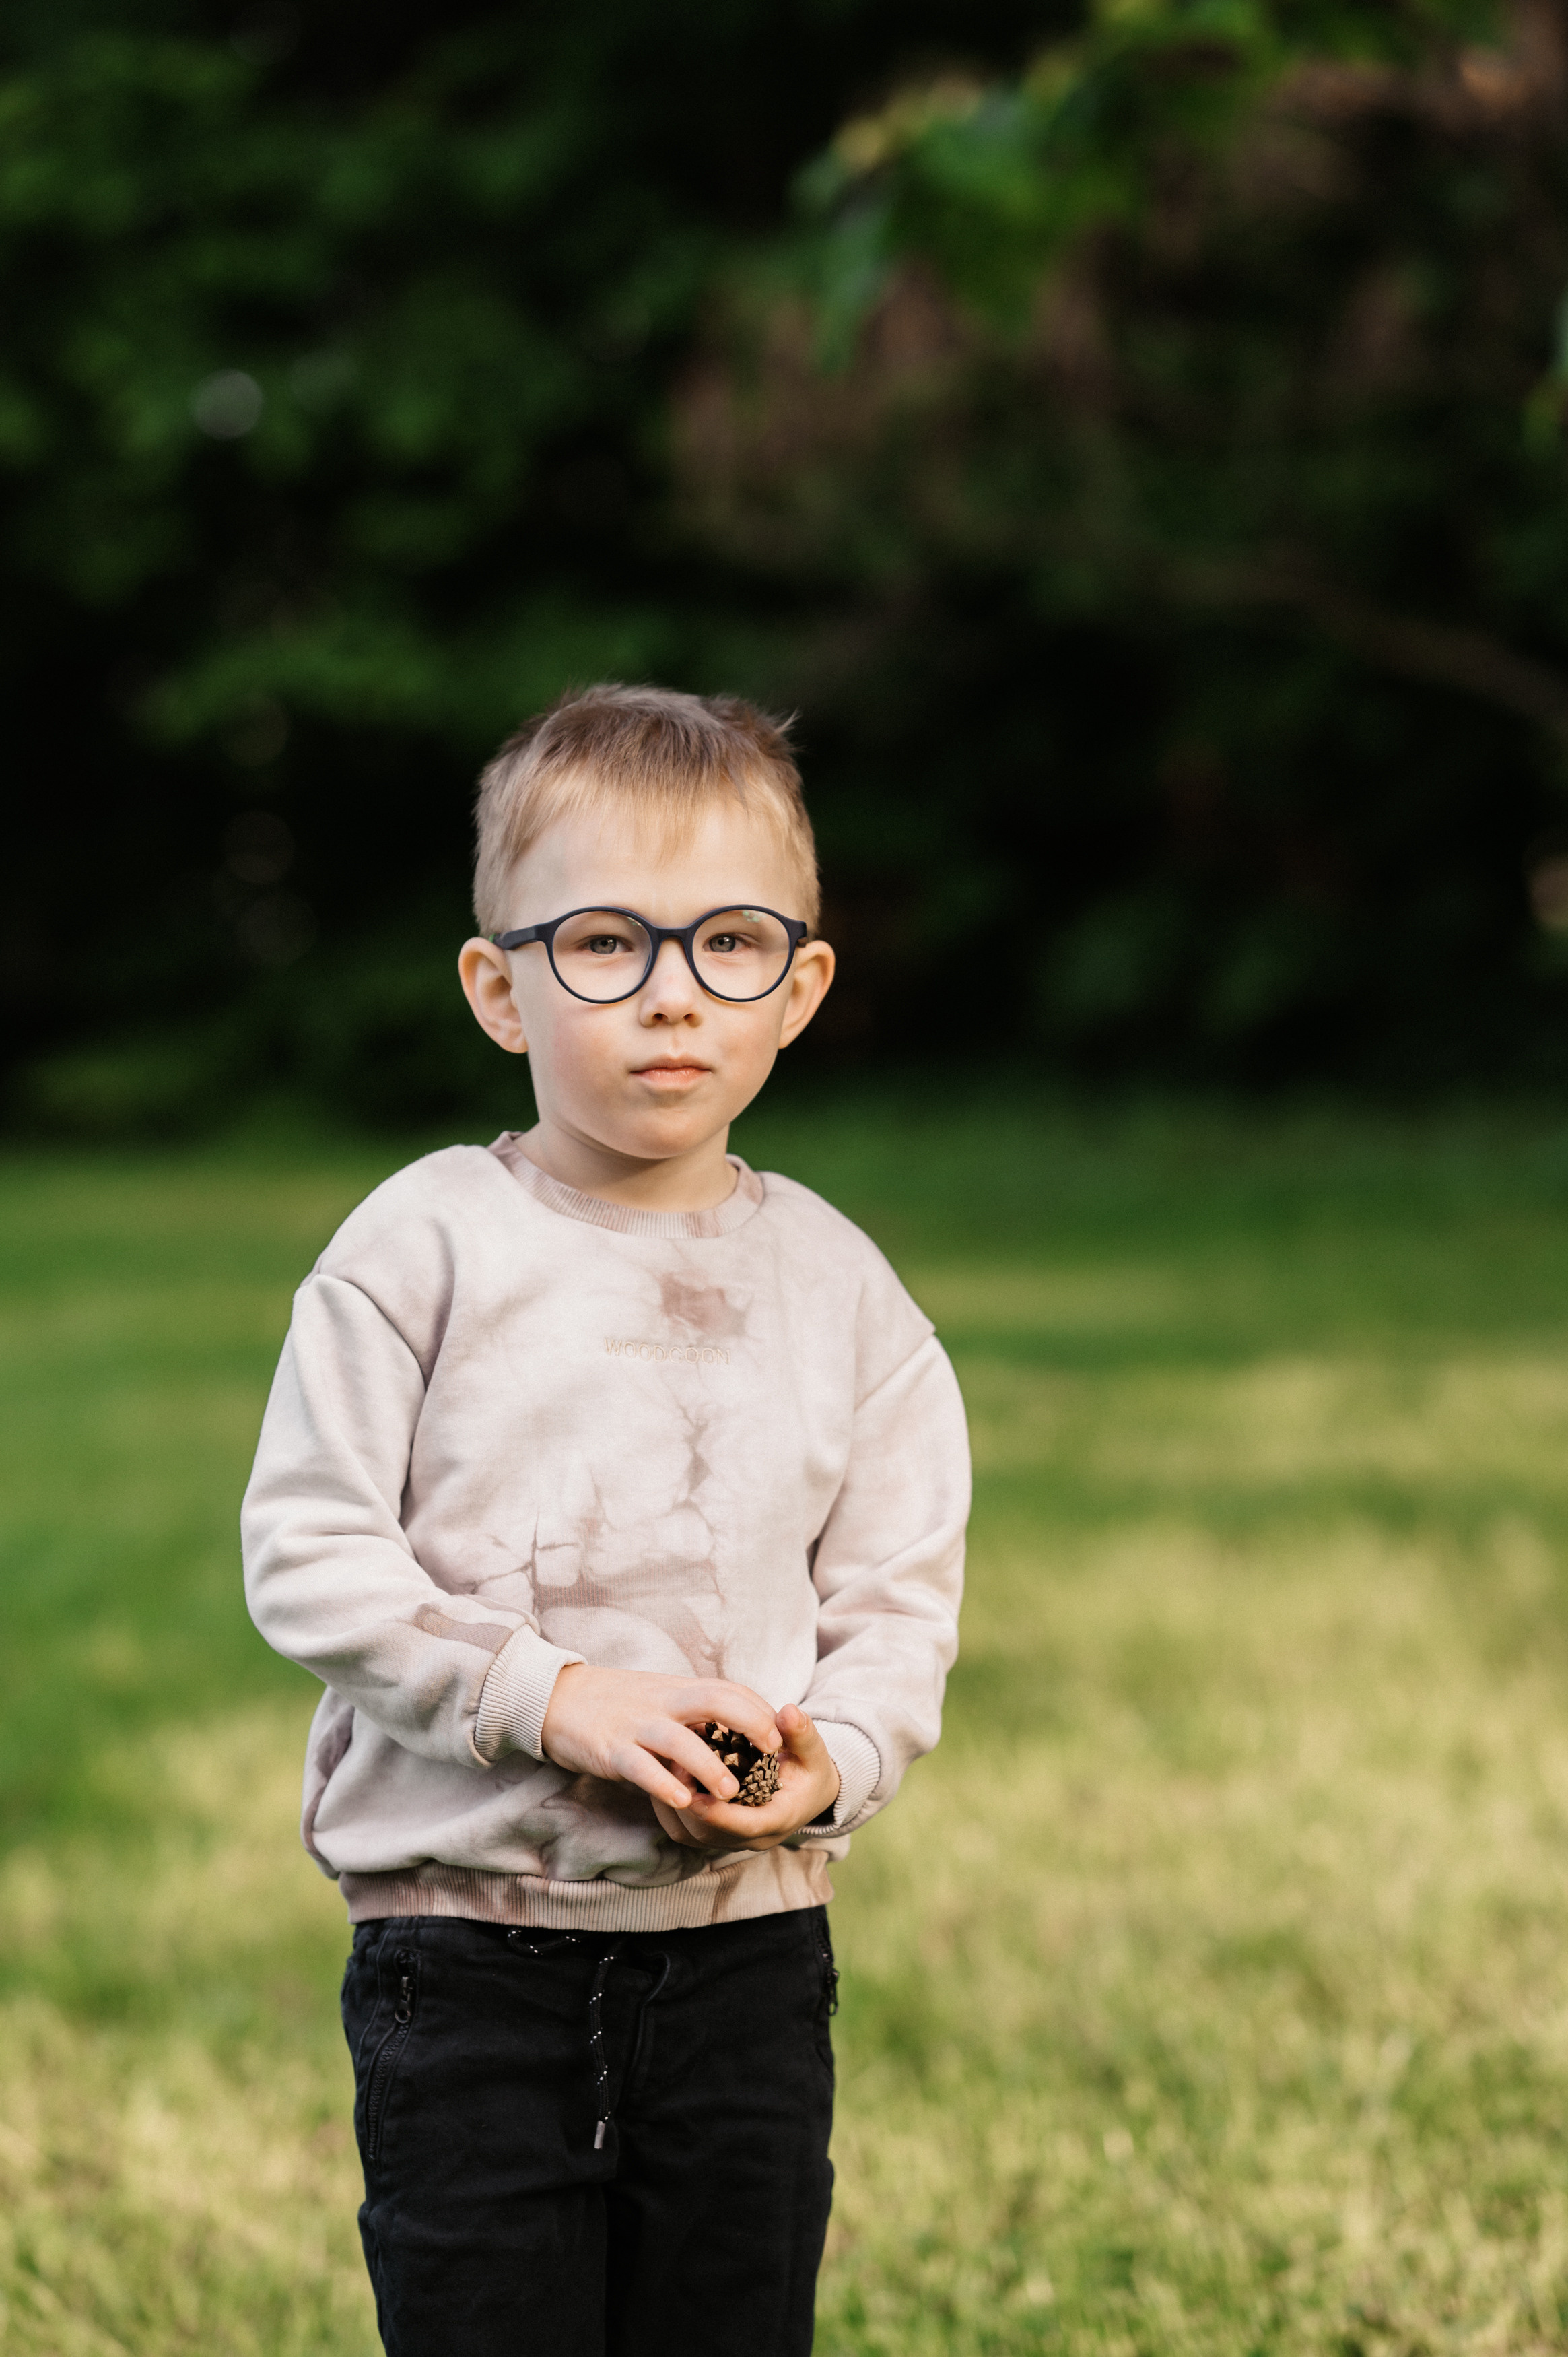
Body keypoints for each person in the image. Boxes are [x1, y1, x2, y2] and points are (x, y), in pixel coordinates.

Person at [241, 683, 970, 2357]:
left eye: (727, 944)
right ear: (500, 987)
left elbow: (898, 1598)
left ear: (798, 989)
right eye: (602, 946)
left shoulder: (841, 1293)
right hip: (465, 1955)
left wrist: (835, 1757)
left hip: (746, 1953)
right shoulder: (421, 1246)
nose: (667, 998)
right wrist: (555, 1695)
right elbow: (308, 1549)